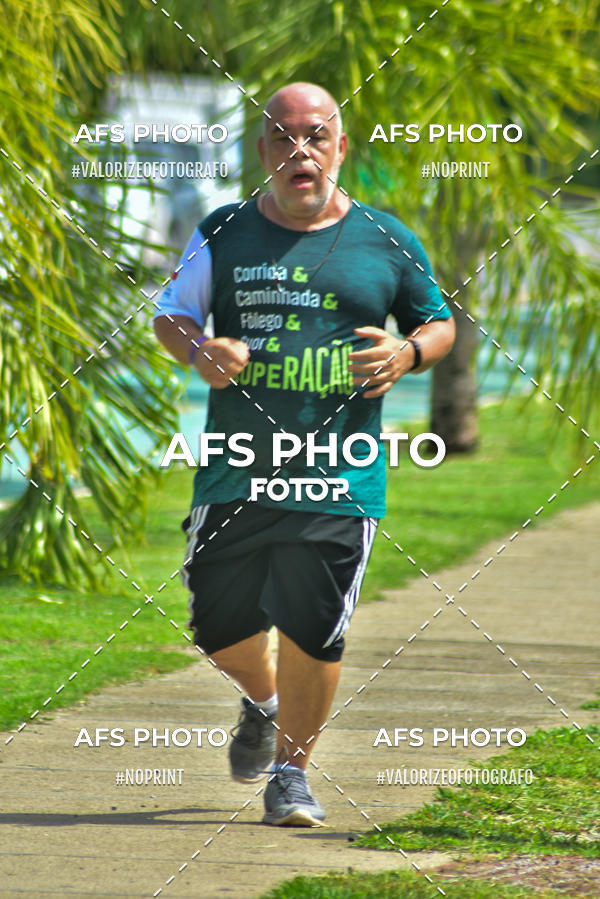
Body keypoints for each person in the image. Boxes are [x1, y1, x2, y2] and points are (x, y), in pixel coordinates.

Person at [153, 82, 455, 826]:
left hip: (339, 475)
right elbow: (172, 313)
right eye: (285, 138)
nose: (301, 151)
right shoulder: (222, 231)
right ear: (263, 152)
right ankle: (265, 703)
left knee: (314, 627)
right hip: (234, 468)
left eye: (316, 136)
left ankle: (291, 773)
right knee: (217, 626)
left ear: (339, 148)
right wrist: (200, 348)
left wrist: (408, 351)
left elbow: (440, 321)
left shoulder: (385, 239)